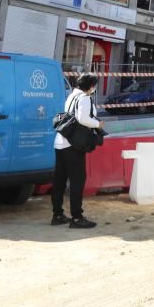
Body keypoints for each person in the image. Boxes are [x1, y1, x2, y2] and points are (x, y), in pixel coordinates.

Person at [51, 73, 104, 229]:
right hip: (73, 145)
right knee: (77, 181)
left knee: (59, 181)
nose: (95, 88)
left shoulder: (72, 96)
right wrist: (98, 124)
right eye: (94, 85)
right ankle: (77, 217)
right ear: (91, 85)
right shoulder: (85, 98)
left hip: (60, 143)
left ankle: (58, 214)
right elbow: (82, 119)